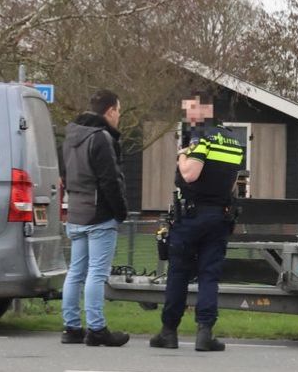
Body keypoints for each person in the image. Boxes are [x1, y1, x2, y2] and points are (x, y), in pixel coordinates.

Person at [151, 101, 244, 353]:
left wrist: (181, 155)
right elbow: (233, 182)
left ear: (204, 112)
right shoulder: (234, 142)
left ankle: (168, 331)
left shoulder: (201, 137)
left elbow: (191, 174)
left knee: (178, 273)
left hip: (191, 217)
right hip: (219, 217)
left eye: (191, 111)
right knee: (209, 275)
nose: (188, 116)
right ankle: (205, 333)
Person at [60, 89, 130, 347]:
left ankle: (71, 328)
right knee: (97, 274)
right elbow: (110, 180)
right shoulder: (100, 138)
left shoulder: (70, 137)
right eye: (119, 111)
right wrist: (120, 211)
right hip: (99, 213)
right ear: (110, 110)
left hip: (76, 211)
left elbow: (65, 174)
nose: (119, 117)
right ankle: (97, 329)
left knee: (75, 271)